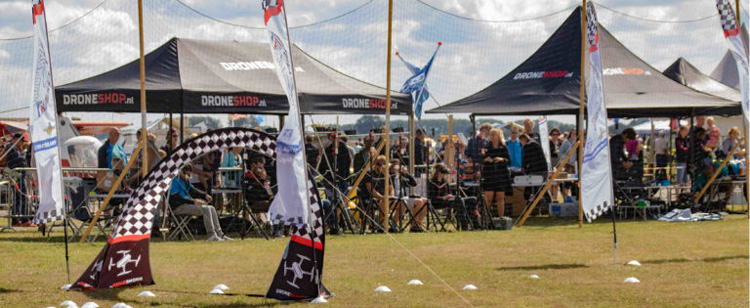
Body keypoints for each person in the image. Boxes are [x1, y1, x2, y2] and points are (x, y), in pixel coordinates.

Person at [169, 164, 231, 241]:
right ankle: (211, 235)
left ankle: (220, 234)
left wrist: (205, 195)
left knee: (211, 208)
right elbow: (176, 198)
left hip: (186, 204)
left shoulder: (185, 180)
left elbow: (193, 190)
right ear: (181, 172)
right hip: (178, 207)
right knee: (206, 209)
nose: (189, 176)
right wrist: (193, 201)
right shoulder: (174, 181)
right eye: (188, 174)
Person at [389, 159, 427, 232]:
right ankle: (395, 224)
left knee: (425, 201)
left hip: (404, 198)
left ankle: (416, 225)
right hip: (394, 199)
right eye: (396, 165)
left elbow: (413, 184)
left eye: (399, 164)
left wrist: (406, 173)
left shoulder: (401, 176)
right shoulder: (389, 176)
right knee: (419, 202)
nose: (398, 167)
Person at [481, 128, 512, 218]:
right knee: (488, 197)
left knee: (500, 197)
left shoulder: (503, 147)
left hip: (501, 175)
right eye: (491, 135)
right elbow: (481, 159)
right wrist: (485, 159)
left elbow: (509, 161)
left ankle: (501, 218)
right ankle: (485, 218)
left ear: (499, 135)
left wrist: (501, 159)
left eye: (494, 134)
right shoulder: (487, 147)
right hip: (489, 175)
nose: (492, 136)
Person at [6, 134, 30, 226]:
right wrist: (24, 156)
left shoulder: (11, 148)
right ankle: (24, 219)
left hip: (15, 174)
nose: (21, 144)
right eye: (21, 141)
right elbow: (18, 160)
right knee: (23, 197)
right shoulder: (11, 148)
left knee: (17, 198)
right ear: (16, 140)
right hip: (17, 175)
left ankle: (17, 220)